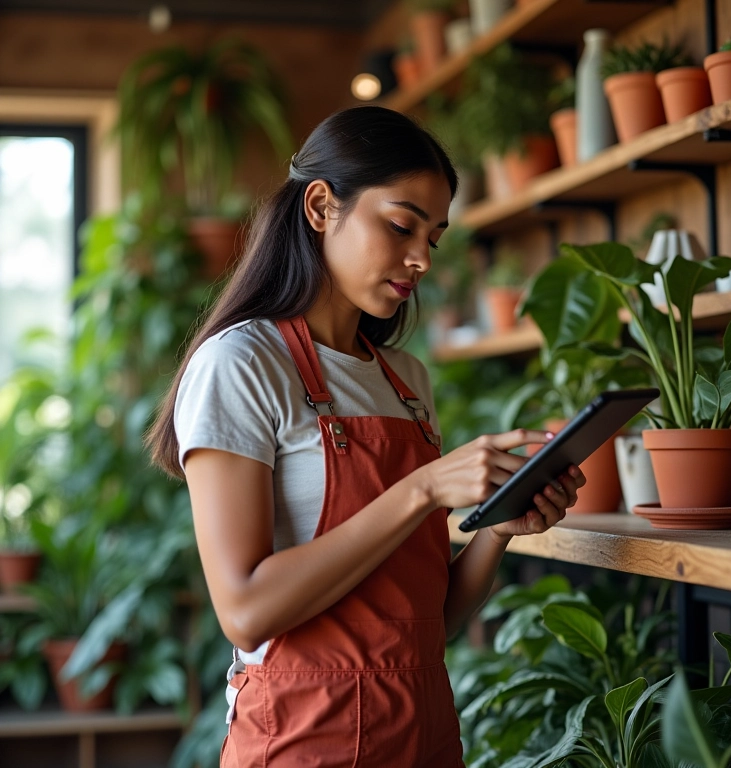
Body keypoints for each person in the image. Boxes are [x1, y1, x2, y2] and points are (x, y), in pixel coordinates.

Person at [147, 105, 585, 768]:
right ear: (322, 206)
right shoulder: (241, 363)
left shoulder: (406, 381)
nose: (421, 259)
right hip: (305, 739)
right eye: (402, 225)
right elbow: (244, 609)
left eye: (433, 239)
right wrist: (424, 488)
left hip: (425, 729)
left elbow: (422, 626)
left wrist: (497, 527)